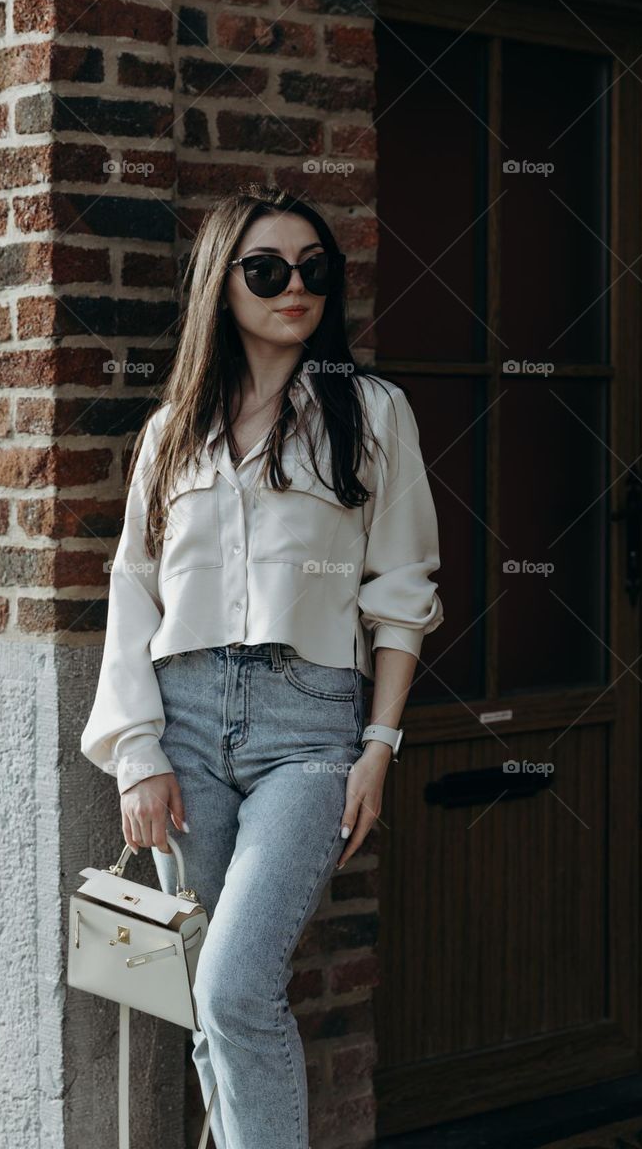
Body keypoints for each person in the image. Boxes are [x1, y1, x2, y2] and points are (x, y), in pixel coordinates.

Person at [80, 183, 444, 1149]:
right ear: (221, 285)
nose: (296, 286)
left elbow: (402, 589)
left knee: (237, 983)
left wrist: (378, 747)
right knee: (208, 998)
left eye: (313, 269)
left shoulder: (370, 413)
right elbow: (133, 593)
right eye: (268, 269)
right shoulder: (172, 433)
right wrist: (137, 752)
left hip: (311, 727)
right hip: (184, 724)